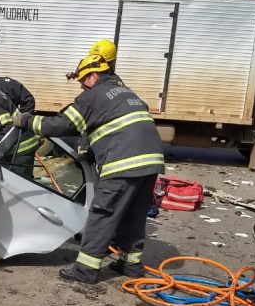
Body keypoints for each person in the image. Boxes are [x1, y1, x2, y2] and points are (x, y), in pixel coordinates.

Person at [14, 51, 164, 285]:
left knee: (103, 213)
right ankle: (130, 264)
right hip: (152, 160)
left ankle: (85, 270)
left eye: (84, 81)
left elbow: (61, 125)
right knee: (134, 213)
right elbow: (111, 128)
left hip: (123, 162)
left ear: (94, 75)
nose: (83, 87)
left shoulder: (92, 97)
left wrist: (25, 121)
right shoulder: (127, 93)